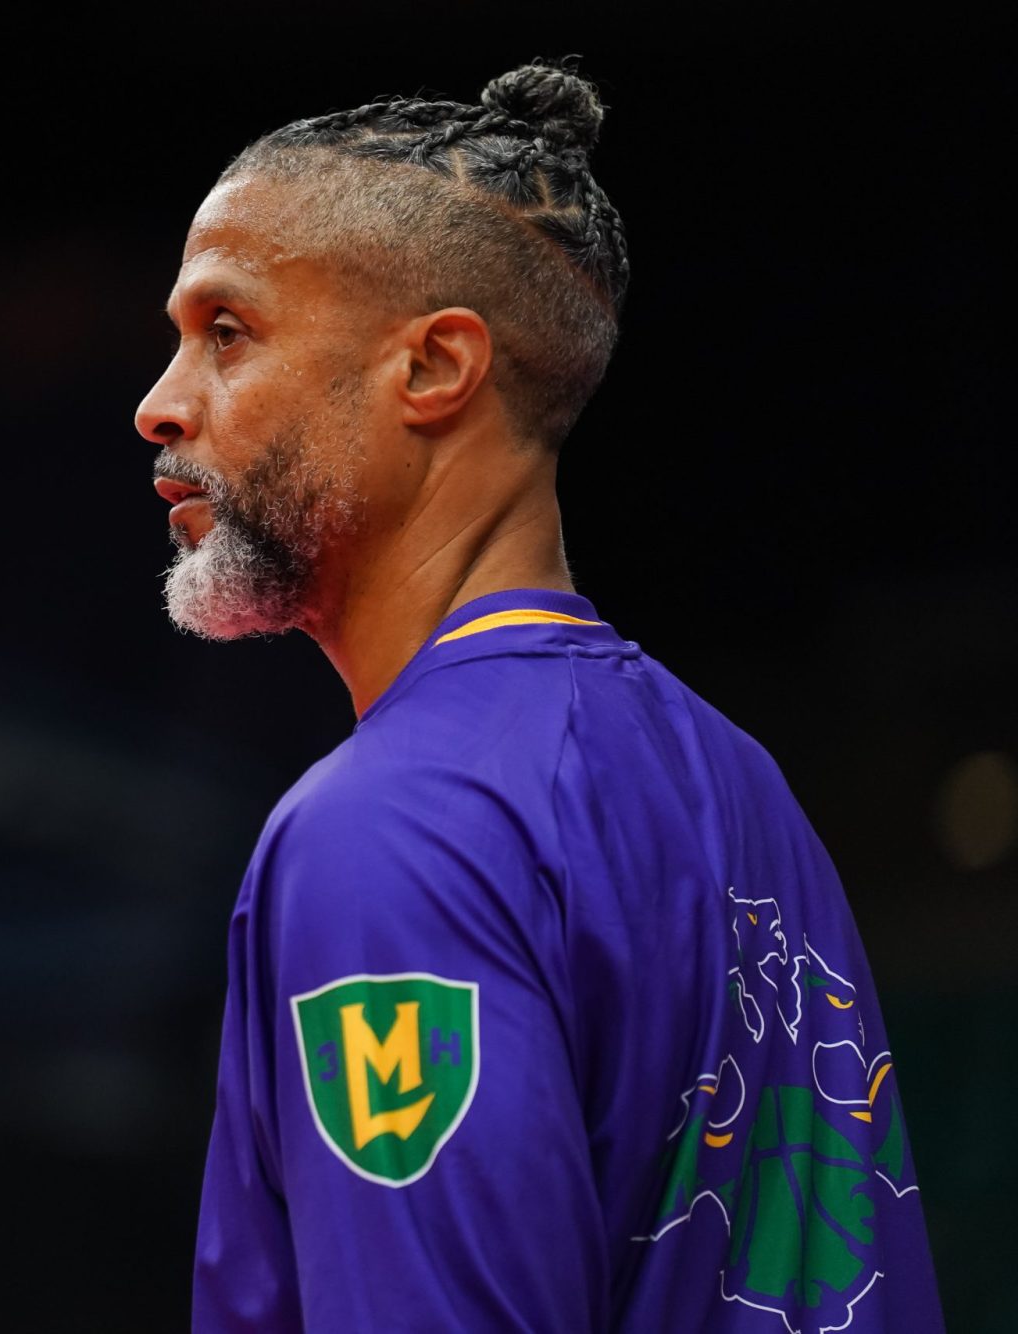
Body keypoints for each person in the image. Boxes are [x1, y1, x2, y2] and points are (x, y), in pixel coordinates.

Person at [135, 60, 943, 1332]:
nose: (158, 404)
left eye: (225, 332)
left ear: (433, 366)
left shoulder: (389, 826)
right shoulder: (740, 782)